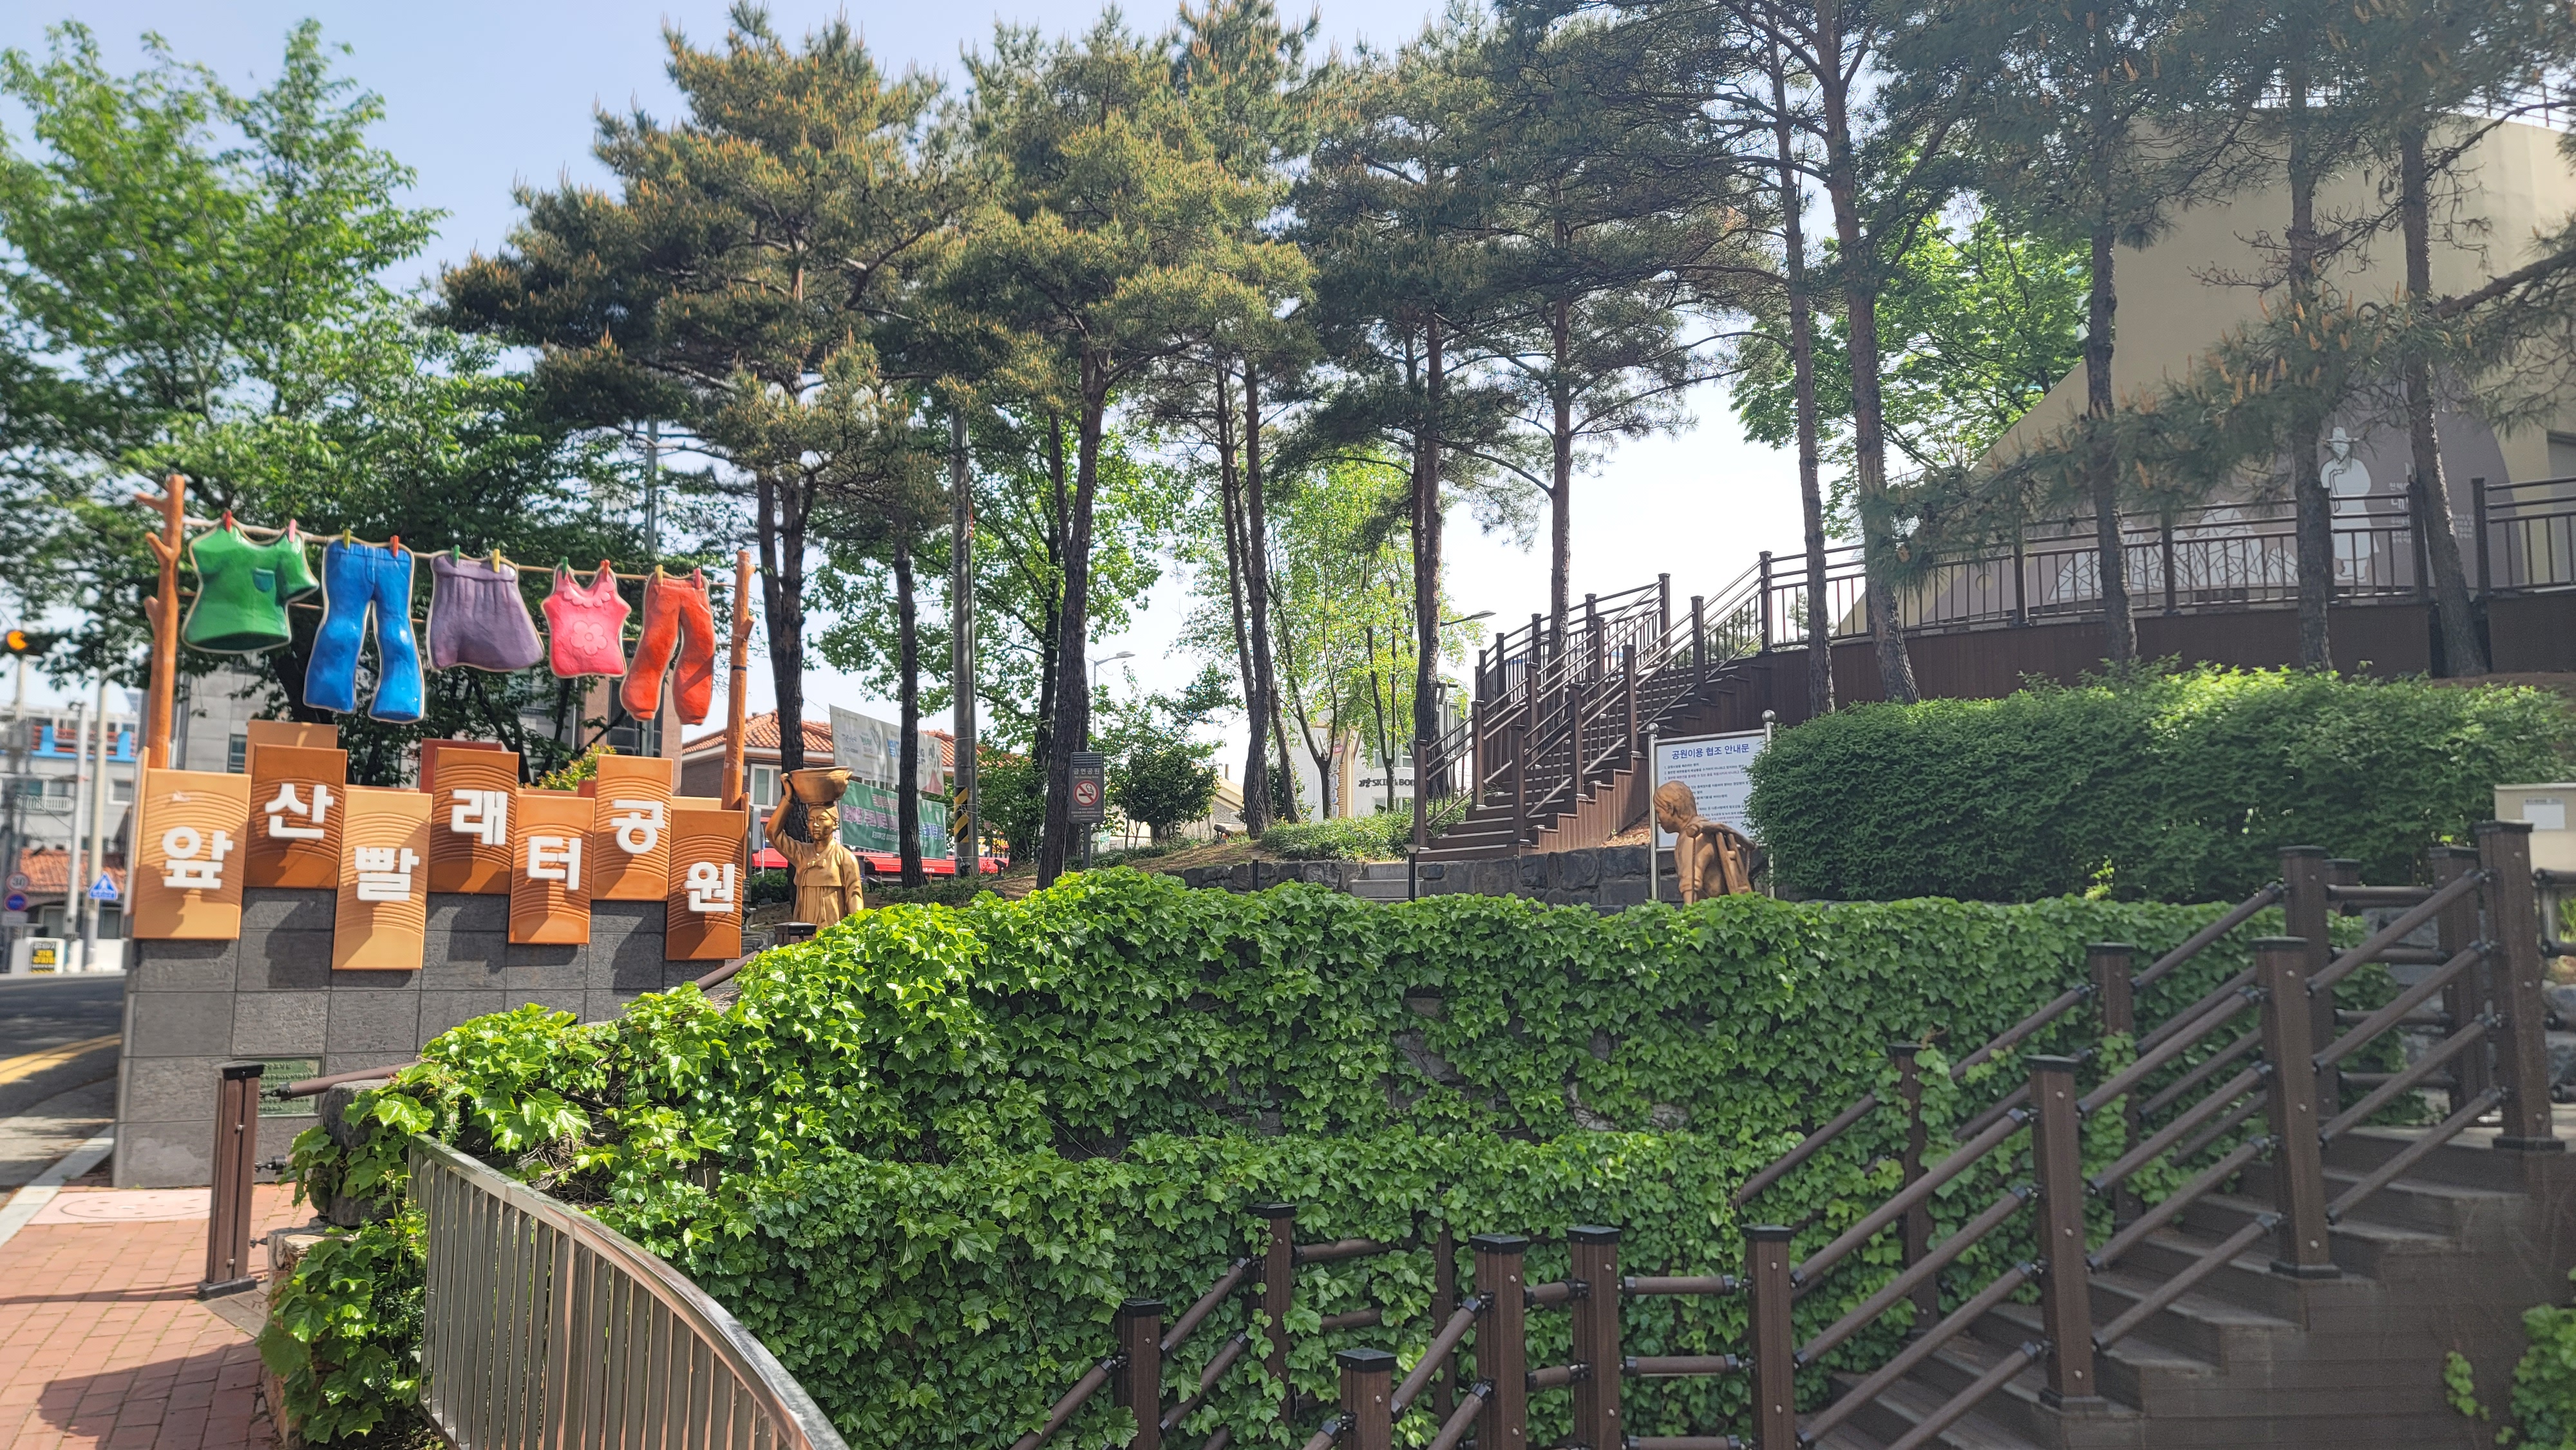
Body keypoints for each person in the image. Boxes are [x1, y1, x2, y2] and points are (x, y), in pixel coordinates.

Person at [766, 767, 867, 925]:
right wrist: (788, 799)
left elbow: (854, 897)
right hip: (804, 933)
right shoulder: (802, 854)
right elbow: (773, 833)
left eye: (821, 819)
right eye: (811, 820)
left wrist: (857, 930)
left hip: (832, 932)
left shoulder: (845, 858)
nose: (815, 825)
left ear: (835, 823)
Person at [1652, 780, 1758, 902]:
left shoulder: (1693, 838)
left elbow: (1690, 885)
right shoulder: (1702, 830)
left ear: (1671, 809)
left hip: (1709, 910)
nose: (1658, 820)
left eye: (1659, 812)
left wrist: (1688, 913)